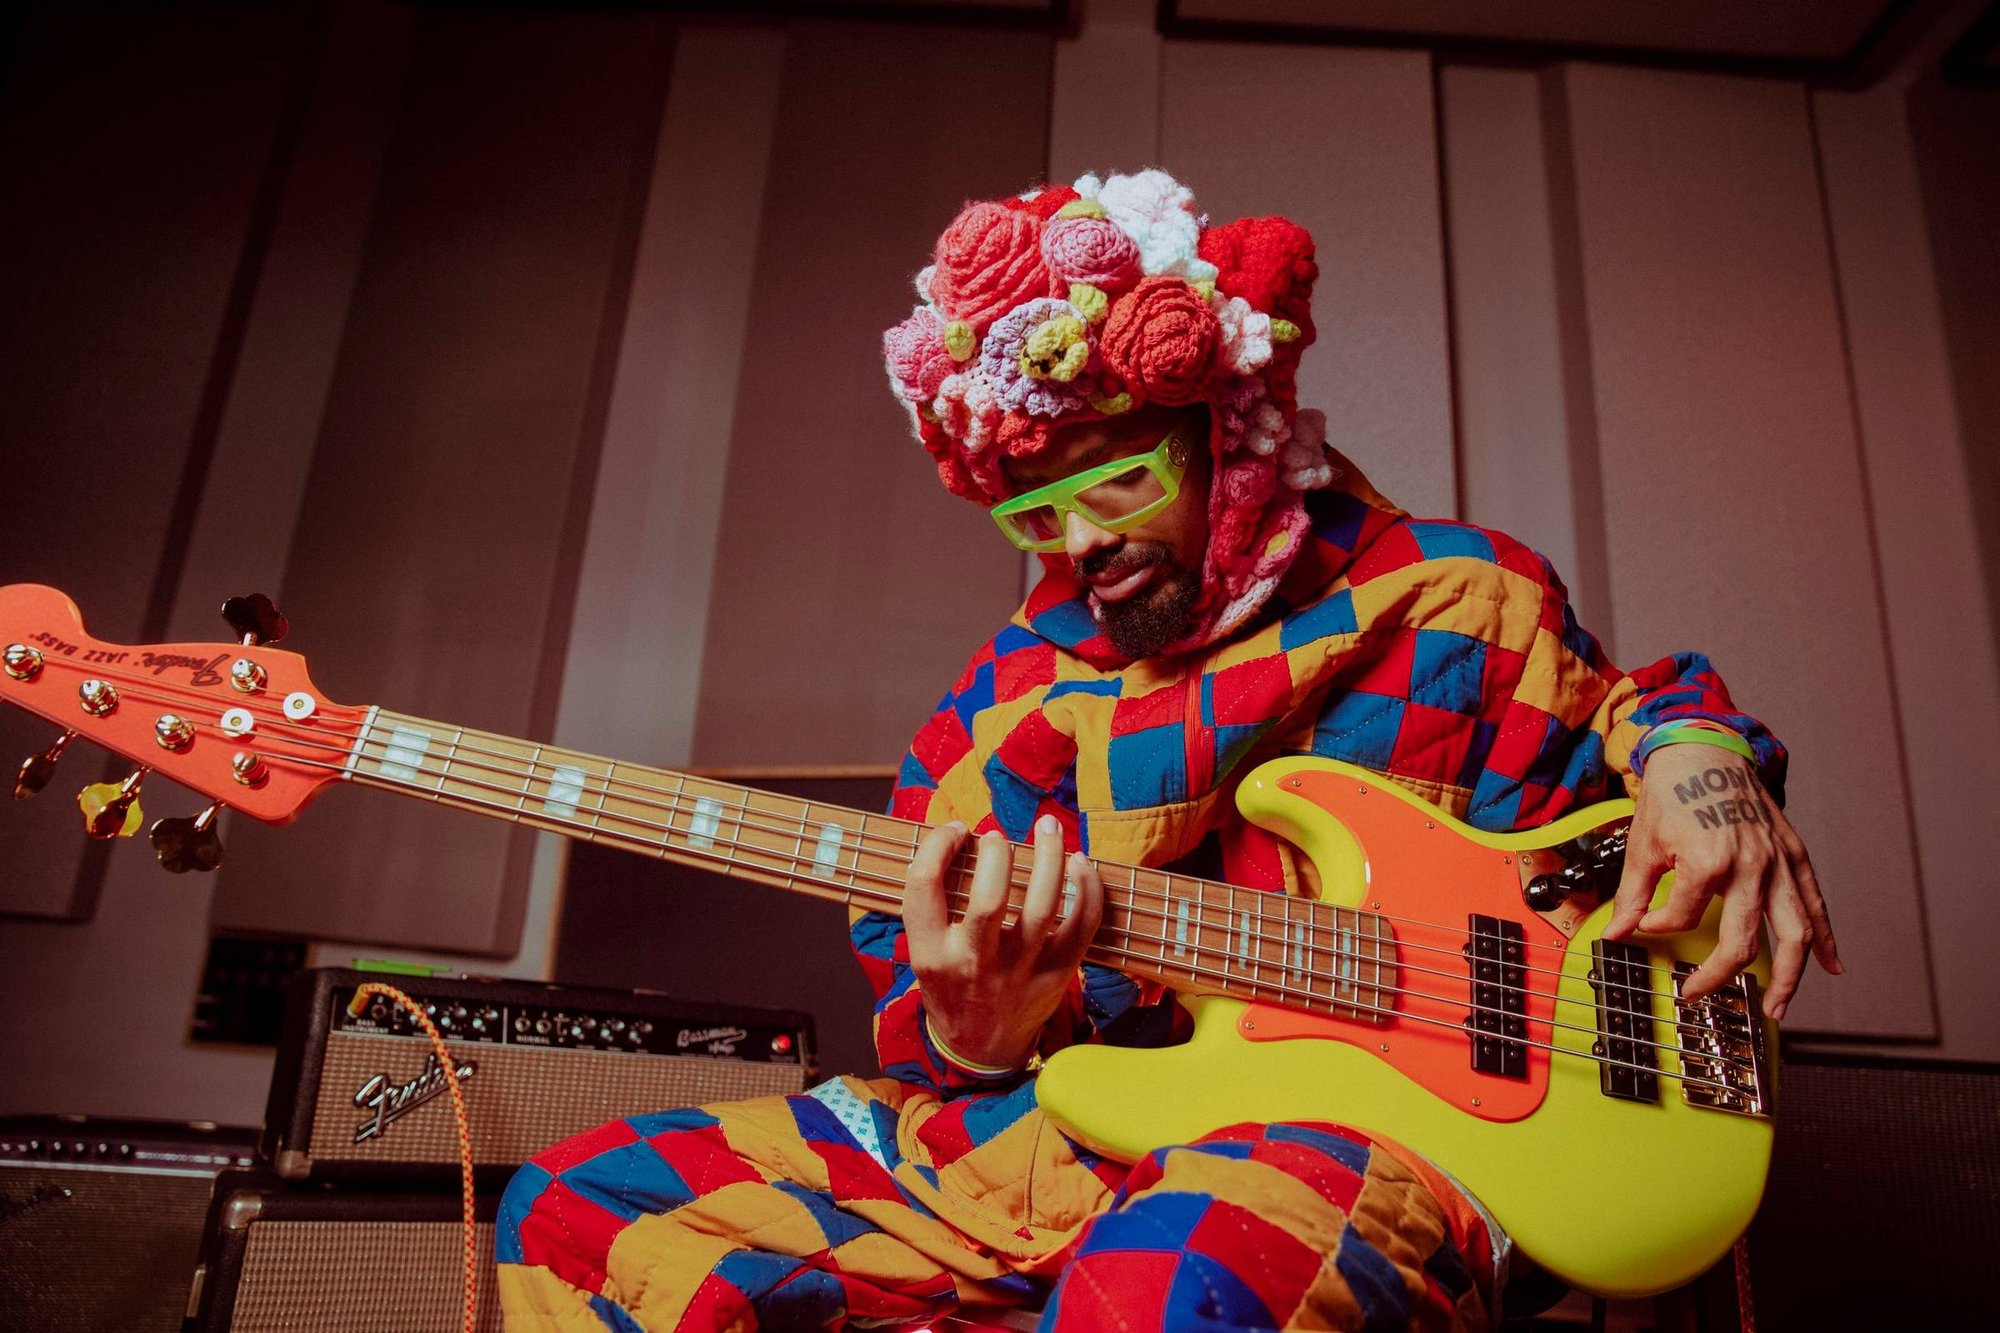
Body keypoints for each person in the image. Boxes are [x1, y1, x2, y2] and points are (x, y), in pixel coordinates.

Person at [496, 170, 1840, 1331]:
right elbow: (936, 1051)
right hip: (1053, 1145)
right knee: (580, 1208)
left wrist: (1698, 753)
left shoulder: (1458, 597)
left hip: (1385, 1147)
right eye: (1035, 510)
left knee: (1171, 1277)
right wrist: (973, 1035)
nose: (1078, 544)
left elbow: (1632, 715)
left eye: (1118, 483)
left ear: (1232, 439)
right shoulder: (992, 719)